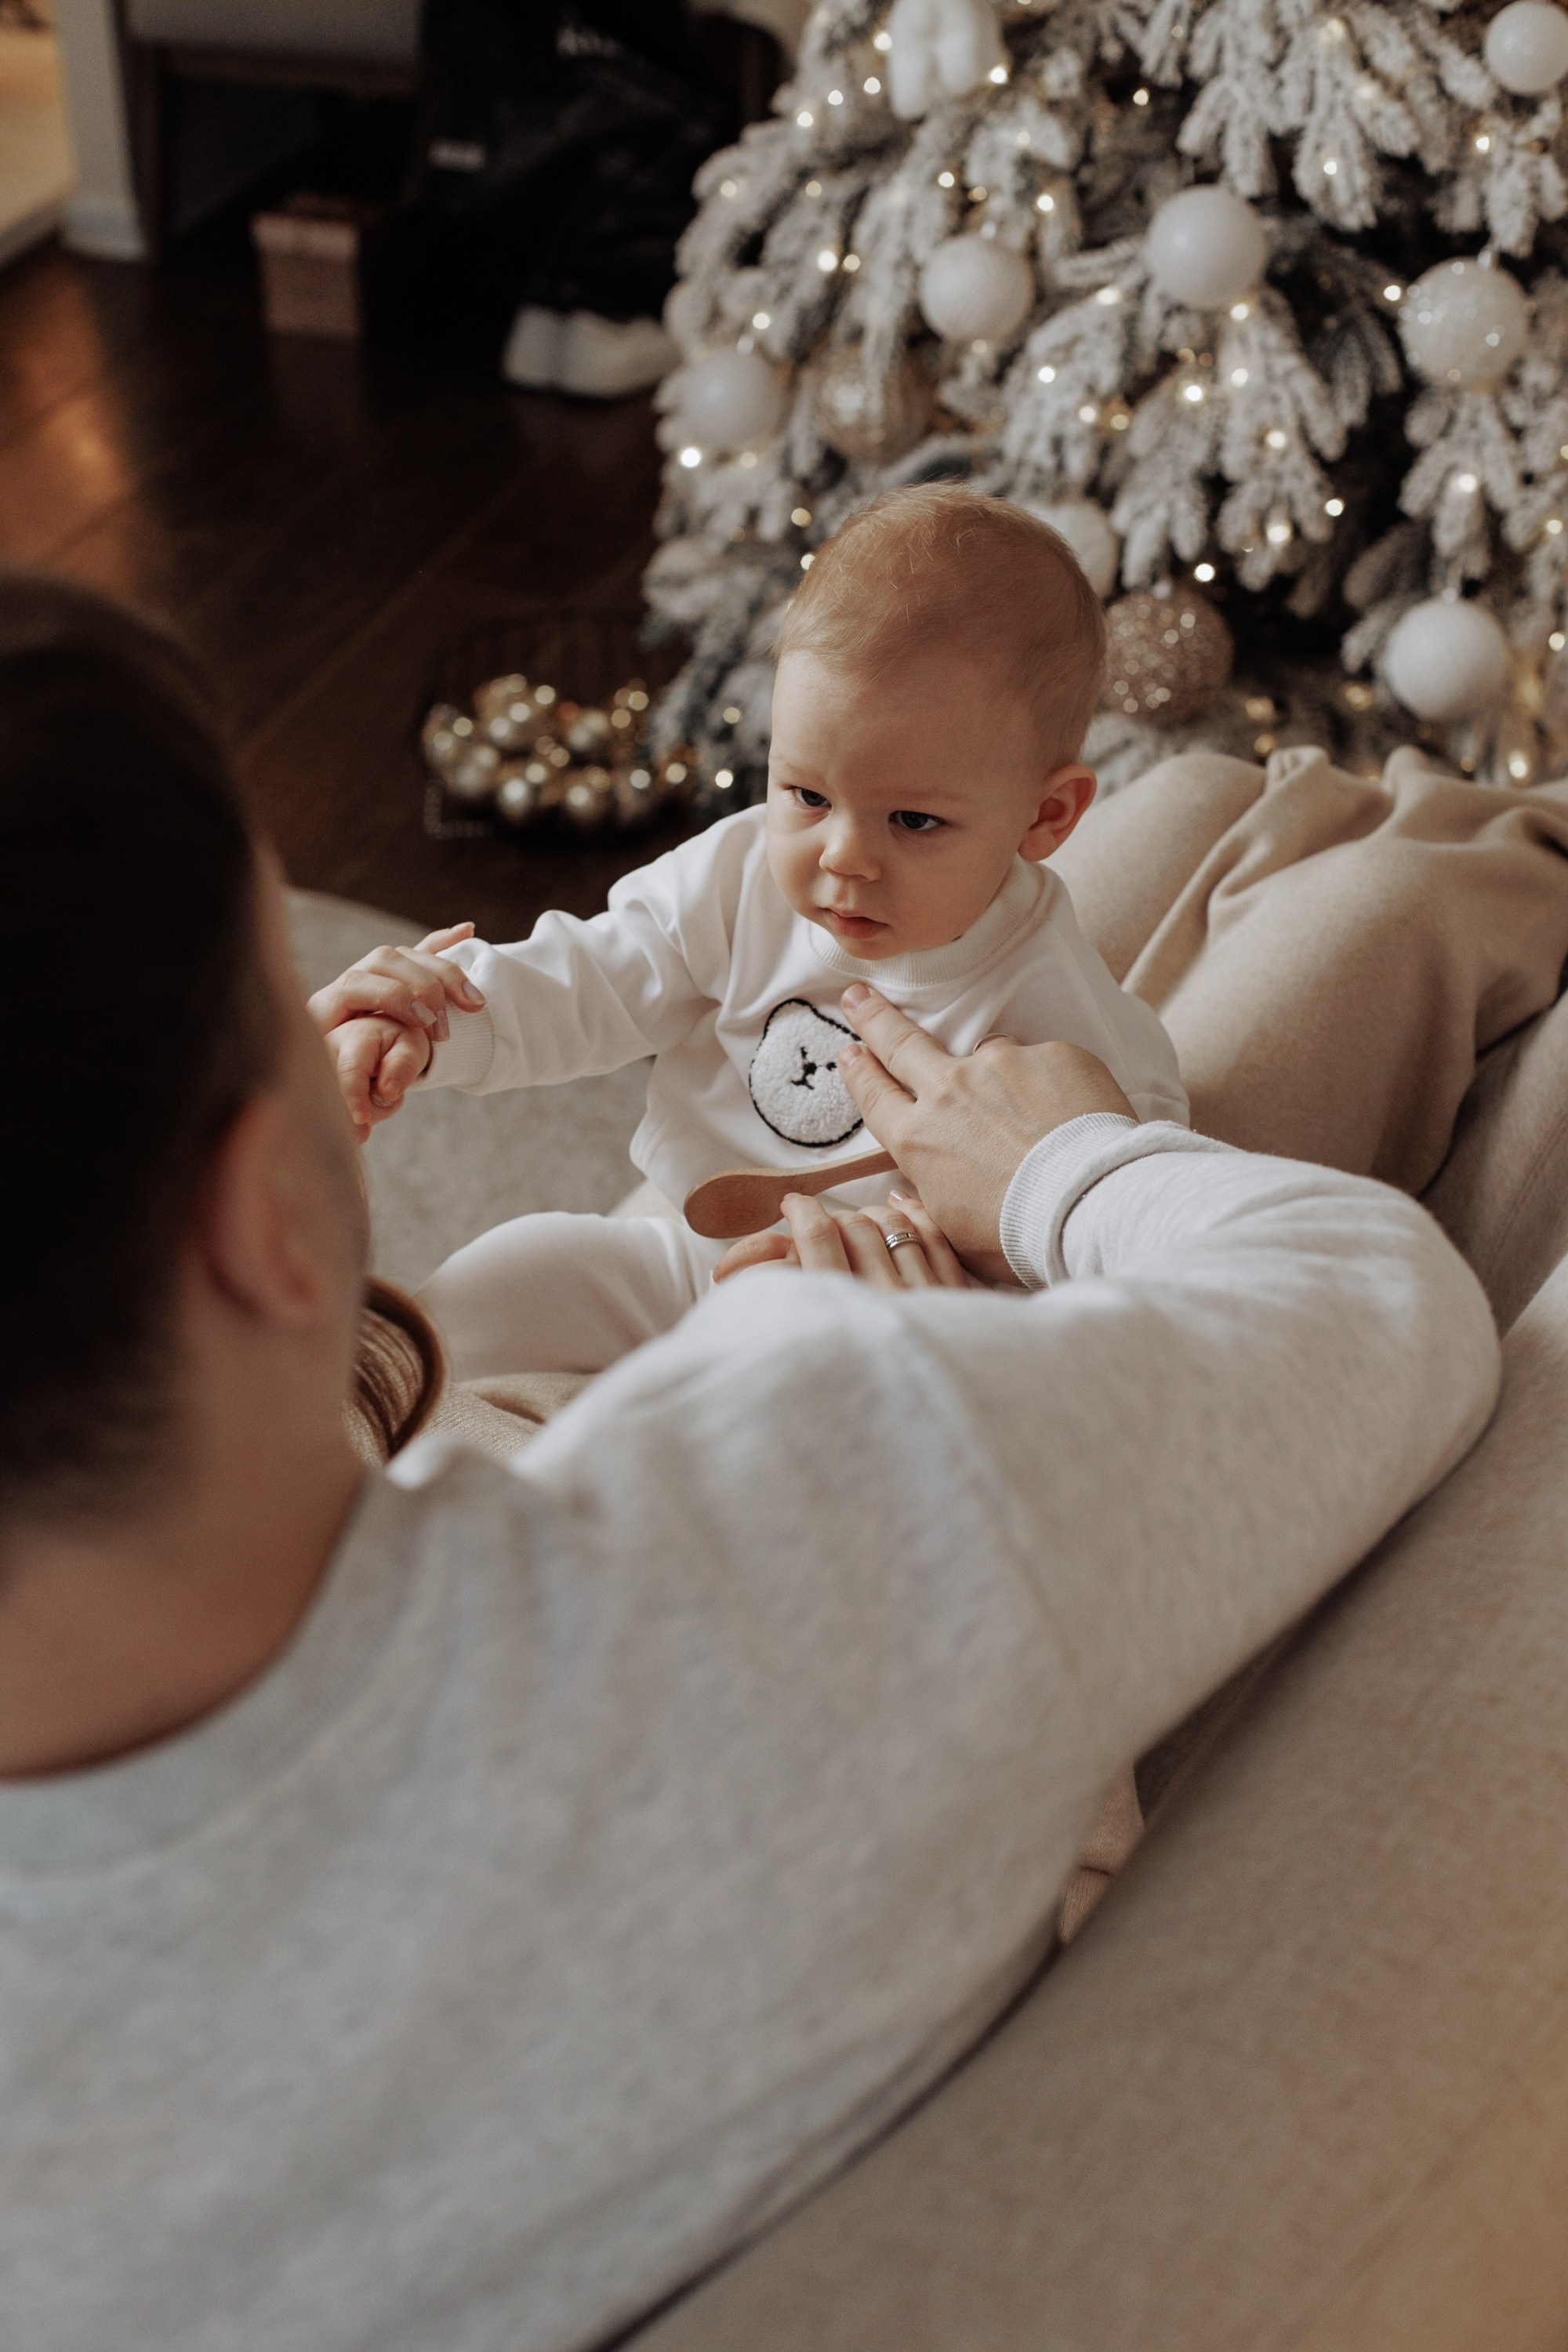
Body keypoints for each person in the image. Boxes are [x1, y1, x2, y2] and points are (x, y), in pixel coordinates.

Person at [0, 572, 1500, 2352]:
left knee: (1176, 824)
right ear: (264, 1217)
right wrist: (1052, 1172)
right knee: (1331, 883)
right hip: (953, 1322)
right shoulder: (842, 1459)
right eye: (285, 1004)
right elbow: (1367, 1297)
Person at [310, 486, 1187, 1377]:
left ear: (1046, 815)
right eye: (806, 795)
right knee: (497, 1279)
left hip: (857, 1324)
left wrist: (980, 1295)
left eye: (913, 822)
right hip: (679, 1262)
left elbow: (1114, 1204)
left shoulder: (1057, 1018)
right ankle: (365, 1439)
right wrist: (435, 1024)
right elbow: (598, 975)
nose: (843, 858)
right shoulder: (736, 876)